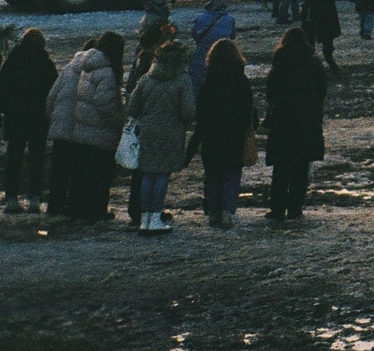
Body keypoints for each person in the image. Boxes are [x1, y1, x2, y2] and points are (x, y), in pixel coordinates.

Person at [43, 33, 123, 228]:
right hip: (94, 130)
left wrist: (52, 119)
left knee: (69, 172)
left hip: (70, 126)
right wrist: (117, 123)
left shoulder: (74, 67)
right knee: (97, 174)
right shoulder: (105, 72)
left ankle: (64, 207)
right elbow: (106, 104)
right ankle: (94, 210)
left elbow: (52, 96)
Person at [126, 39, 197, 234]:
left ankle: (145, 218)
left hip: (148, 131)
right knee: (162, 175)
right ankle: (156, 216)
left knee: (148, 174)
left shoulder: (146, 78)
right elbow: (188, 111)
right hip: (171, 132)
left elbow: (133, 107)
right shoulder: (183, 80)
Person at [262, 26, 328, 220]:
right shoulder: (314, 63)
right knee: (301, 166)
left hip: (283, 119)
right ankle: (295, 208)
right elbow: (321, 90)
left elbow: (270, 92)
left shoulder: (280, 63)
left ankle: (277, 208)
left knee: (281, 167)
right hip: (307, 118)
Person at [194, 37, 255, 228]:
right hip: (234, 134)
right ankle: (228, 211)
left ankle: (213, 212)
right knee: (231, 175)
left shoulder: (208, 81)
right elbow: (248, 108)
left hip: (212, 134)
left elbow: (201, 110)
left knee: (213, 176)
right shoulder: (241, 80)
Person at [0, 28, 55, 214]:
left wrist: (6, 110)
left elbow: (3, 89)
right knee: (36, 159)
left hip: (16, 118)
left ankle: (11, 198)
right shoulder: (46, 64)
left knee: (14, 157)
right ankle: (34, 198)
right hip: (38, 119)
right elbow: (52, 93)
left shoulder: (12, 62)